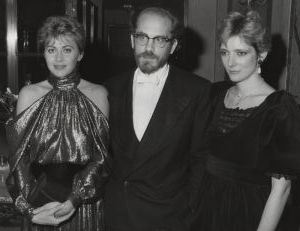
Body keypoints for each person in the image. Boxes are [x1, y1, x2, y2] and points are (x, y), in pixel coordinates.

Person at [104, 7, 211, 231]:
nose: (149, 48)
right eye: (142, 37)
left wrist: (188, 214)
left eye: (160, 39)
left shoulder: (197, 91)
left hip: (169, 218)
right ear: (132, 40)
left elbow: (201, 161)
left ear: (173, 46)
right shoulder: (109, 88)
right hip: (117, 216)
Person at [192, 11, 300, 231]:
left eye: (240, 53)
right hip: (207, 210)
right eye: (224, 52)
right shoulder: (216, 94)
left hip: (250, 214)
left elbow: (281, 190)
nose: (230, 62)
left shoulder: (280, 107)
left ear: (261, 53)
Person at [5, 15, 110, 230]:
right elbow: (19, 160)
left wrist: (74, 200)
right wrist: (30, 211)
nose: (59, 58)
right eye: (51, 49)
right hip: (38, 202)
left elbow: (101, 159)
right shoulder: (29, 94)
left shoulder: (98, 94)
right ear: (43, 54)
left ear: (80, 54)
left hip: (83, 205)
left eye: (67, 49)